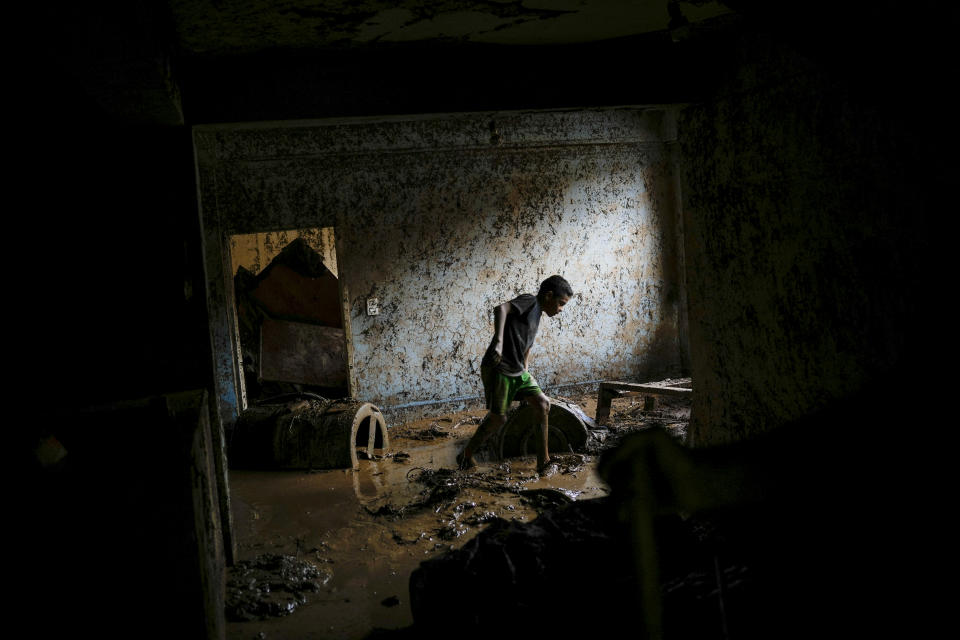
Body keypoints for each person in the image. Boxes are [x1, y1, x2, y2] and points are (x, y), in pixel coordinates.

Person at [457, 275, 573, 474]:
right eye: (561, 304)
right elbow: (501, 309)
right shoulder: (530, 301)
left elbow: (526, 346)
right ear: (549, 296)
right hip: (500, 368)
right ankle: (465, 455)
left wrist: (526, 374)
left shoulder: (538, 315)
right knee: (498, 419)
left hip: (518, 370)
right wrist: (499, 342)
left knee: (543, 404)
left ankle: (543, 461)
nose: (561, 309)